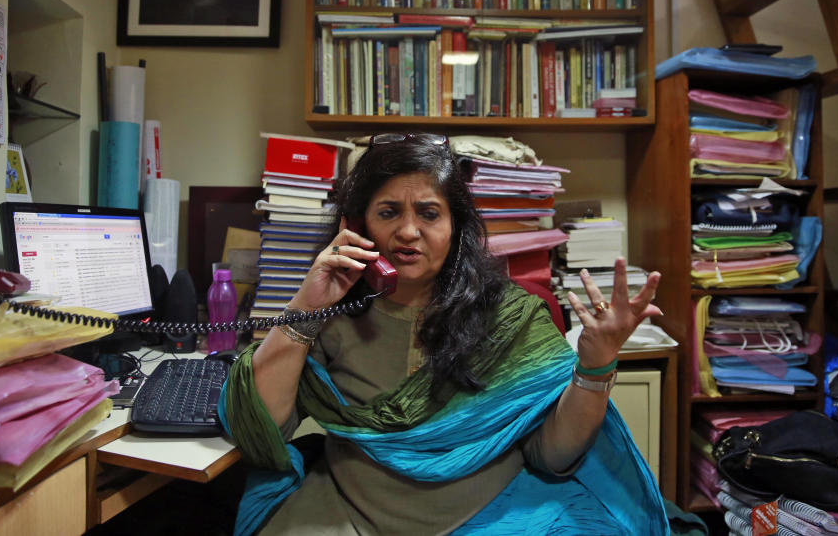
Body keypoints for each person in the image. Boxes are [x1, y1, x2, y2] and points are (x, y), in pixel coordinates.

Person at [220, 133, 669, 535]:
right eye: (388, 212)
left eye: (429, 214)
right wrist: (305, 307)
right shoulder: (334, 316)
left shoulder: (512, 318)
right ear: (357, 226)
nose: (408, 231)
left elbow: (553, 455)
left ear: (456, 229)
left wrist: (595, 364)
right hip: (351, 514)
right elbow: (264, 427)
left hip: (496, 515)